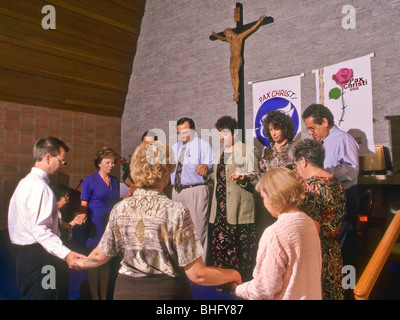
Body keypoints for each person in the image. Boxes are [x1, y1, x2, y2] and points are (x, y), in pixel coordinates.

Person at [75, 141, 242, 300]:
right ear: (166, 173)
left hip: (125, 290)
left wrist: (80, 262)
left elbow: (99, 255)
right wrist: (233, 274)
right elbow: (197, 274)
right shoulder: (176, 211)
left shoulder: (120, 208)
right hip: (164, 292)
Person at [8, 137, 85, 300]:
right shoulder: (40, 187)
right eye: (62, 161)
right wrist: (67, 254)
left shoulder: (24, 183)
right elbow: (41, 230)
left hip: (27, 257)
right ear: (48, 157)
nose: (62, 166)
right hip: (39, 257)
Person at [231, 167, 322, 300]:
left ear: (273, 195)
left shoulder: (275, 233)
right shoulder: (309, 223)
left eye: (263, 197)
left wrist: (238, 289)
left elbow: (264, 289)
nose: (264, 203)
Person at [302, 103, 359, 269]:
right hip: (329, 201)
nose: (310, 133)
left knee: (343, 248)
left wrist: (321, 173)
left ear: (324, 122)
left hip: (345, 197)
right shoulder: (324, 142)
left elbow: (351, 170)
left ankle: (347, 289)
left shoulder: (343, 139)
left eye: (312, 128)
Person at [290, 139, 346, 300]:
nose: (297, 170)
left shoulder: (309, 187)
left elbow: (311, 228)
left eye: (296, 165)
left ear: (303, 161)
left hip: (315, 254)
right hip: (334, 253)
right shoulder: (336, 182)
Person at [208, 116, 260, 283]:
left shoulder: (248, 151)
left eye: (224, 133)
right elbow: (218, 177)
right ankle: (223, 282)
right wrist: (205, 174)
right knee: (221, 249)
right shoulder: (219, 153)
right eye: (219, 134)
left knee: (241, 250)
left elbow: (257, 178)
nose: (221, 137)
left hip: (239, 210)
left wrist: (244, 177)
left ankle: (242, 283)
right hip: (220, 210)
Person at [171, 117, 214, 262]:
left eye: (185, 132)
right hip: (177, 192)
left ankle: (199, 267)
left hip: (196, 191)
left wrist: (205, 167)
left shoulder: (203, 145)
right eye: (179, 133)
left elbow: (212, 164)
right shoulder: (174, 148)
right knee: (178, 230)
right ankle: (182, 265)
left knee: (197, 229)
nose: (182, 135)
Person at [80, 147, 120, 300]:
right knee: (93, 262)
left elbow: (117, 202)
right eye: (108, 162)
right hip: (95, 225)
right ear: (99, 164)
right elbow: (84, 203)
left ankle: (103, 296)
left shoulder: (115, 181)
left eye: (113, 162)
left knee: (106, 262)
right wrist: (82, 214)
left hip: (110, 224)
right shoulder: (89, 181)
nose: (111, 165)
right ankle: (94, 296)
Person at [212, 15, 265, 101]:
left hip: (237, 58)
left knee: (236, 73)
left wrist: (258, 22)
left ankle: (237, 92)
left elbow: (250, 29)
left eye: (227, 34)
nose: (226, 36)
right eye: (226, 35)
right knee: (232, 75)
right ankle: (235, 92)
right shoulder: (230, 40)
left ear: (229, 32)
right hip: (232, 59)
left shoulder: (239, 37)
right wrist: (216, 35)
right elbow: (222, 38)